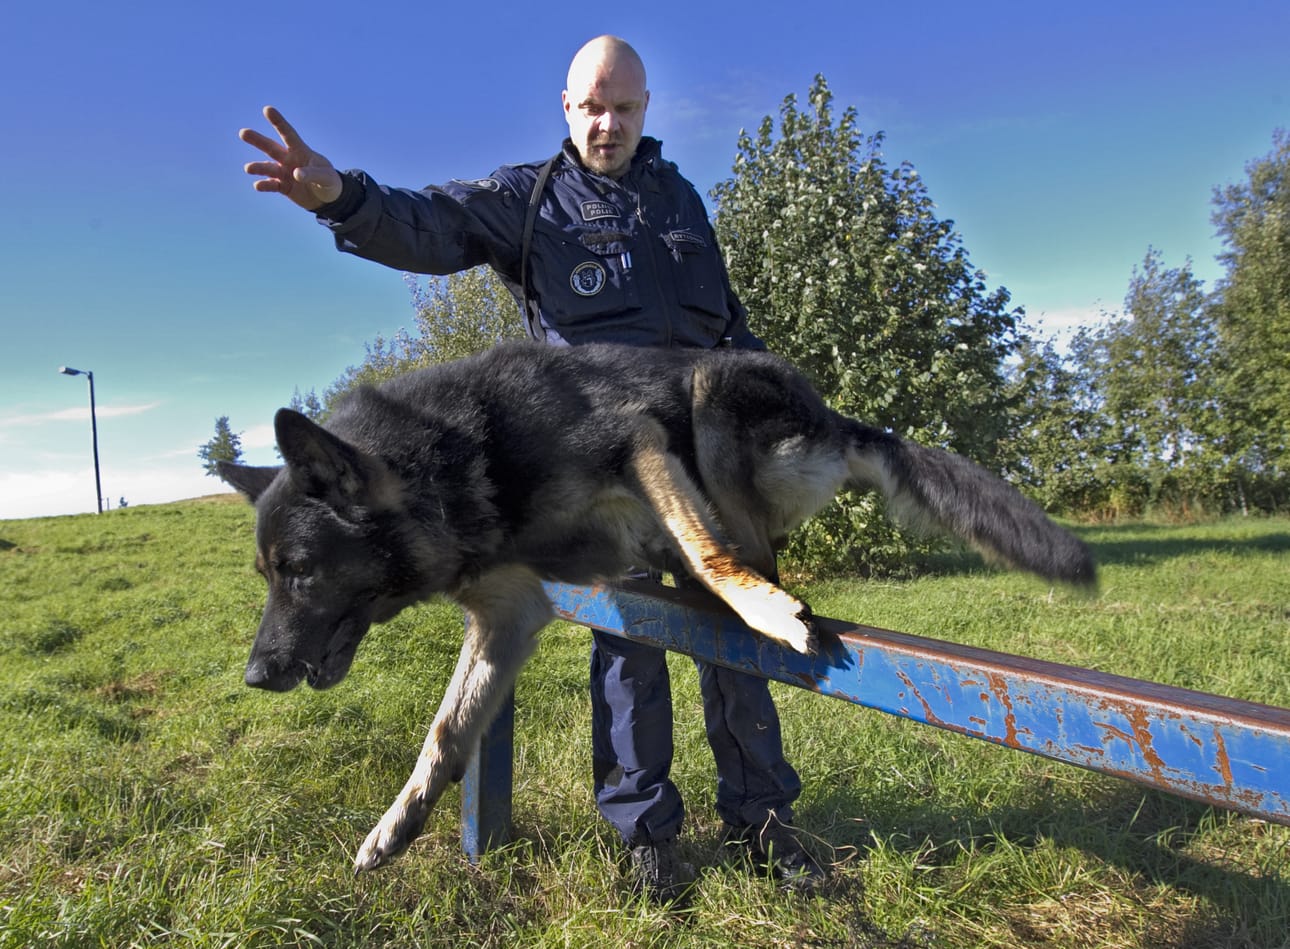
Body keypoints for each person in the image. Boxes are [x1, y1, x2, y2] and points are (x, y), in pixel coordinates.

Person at [240, 34, 825, 901]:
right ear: (566, 106)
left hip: (709, 466)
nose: (607, 124)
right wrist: (341, 196)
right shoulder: (533, 198)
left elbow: (727, 325)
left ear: (646, 109)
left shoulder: (679, 201)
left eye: (624, 108)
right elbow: (431, 222)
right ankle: (647, 837)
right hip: (602, 470)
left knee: (738, 641)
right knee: (629, 650)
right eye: (592, 106)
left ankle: (764, 820)